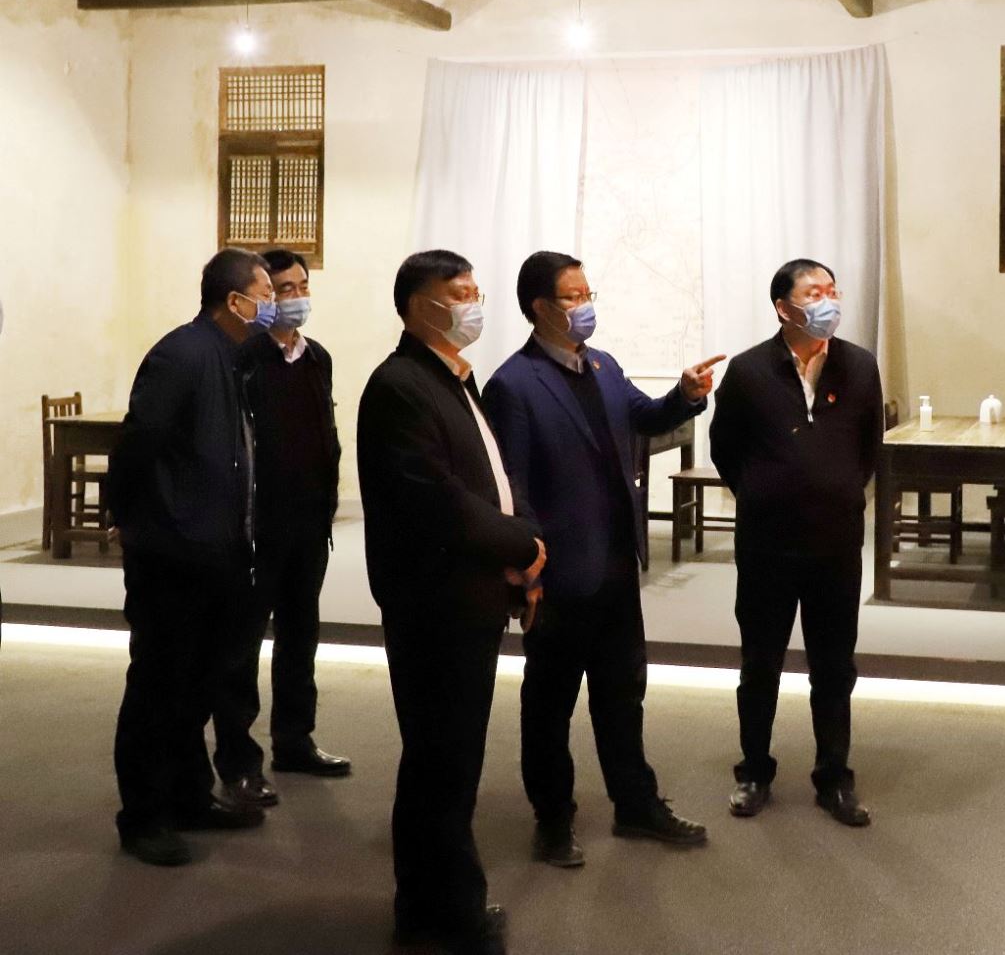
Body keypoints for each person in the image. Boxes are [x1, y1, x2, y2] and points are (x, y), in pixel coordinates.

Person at [483, 251, 719, 868]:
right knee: (550, 705)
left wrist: (684, 395)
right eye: (573, 296)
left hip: (616, 564)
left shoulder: (603, 365)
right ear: (540, 307)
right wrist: (528, 568)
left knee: (623, 695)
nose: (585, 305)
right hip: (559, 574)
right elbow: (513, 486)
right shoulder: (513, 384)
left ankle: (635, 804)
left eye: (589, 294)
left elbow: (645, 418)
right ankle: (553, 820)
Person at [358, 250, 545, 955]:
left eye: (475, 291)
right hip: (433, 602)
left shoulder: (453, 378)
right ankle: (450, 914)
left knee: (448, 760)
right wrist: (523, 544)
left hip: (470, 594)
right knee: (441, 760)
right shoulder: (400, 385)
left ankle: (427, 906)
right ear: (419, 304)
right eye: (459, 293)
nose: (473, 303)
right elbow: (437, 499)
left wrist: (525, 537)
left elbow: (494, 475)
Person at [108, 248, 278, 867]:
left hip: (218, 553)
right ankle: (143, 817)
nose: (274, 304)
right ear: (236, 301)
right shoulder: (182, 353)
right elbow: (139, 443)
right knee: (160, 687)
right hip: (174, 555)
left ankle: (187, 797)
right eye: (266, 293)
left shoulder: (233, 358)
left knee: (198, 686)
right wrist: (136, 524)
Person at [709, 258, 883, 827]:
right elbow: (724, 448)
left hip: (835, 544)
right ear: (784, 308)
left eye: (832, 290)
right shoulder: (748, 371)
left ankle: (834, 777)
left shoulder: (859, 366)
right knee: (760, 664)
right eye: (814, 292)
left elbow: (869, 447)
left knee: (834, 668)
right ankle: (754, 771)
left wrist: (837, 491)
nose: (828, 300)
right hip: (767, 546)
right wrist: (763, 493)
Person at [212, 248, 350, 812]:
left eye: (302, 286)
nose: (295, 298)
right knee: (241, 646)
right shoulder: (241, 358)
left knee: (300, 635)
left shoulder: (317, 357)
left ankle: (295, 740)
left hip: (308, 523)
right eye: (283, 289)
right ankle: (239, 762)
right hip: (257, 525)